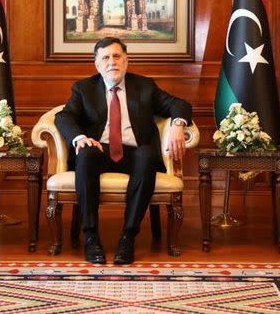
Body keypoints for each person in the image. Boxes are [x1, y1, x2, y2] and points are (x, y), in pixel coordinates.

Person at [55, 37, 192, 265]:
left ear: (126, 61)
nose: (112, 62)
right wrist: (80, 138)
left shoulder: (145, 86)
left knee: (146, 154)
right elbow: (64, 116)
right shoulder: (84, 88)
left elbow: (179, 104)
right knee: (86, 154)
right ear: (97, 65)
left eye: (117, 56)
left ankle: (128, 237)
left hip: (133, 152)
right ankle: (91, 237)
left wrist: (178, 124)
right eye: (106, 58)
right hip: (99, 150)